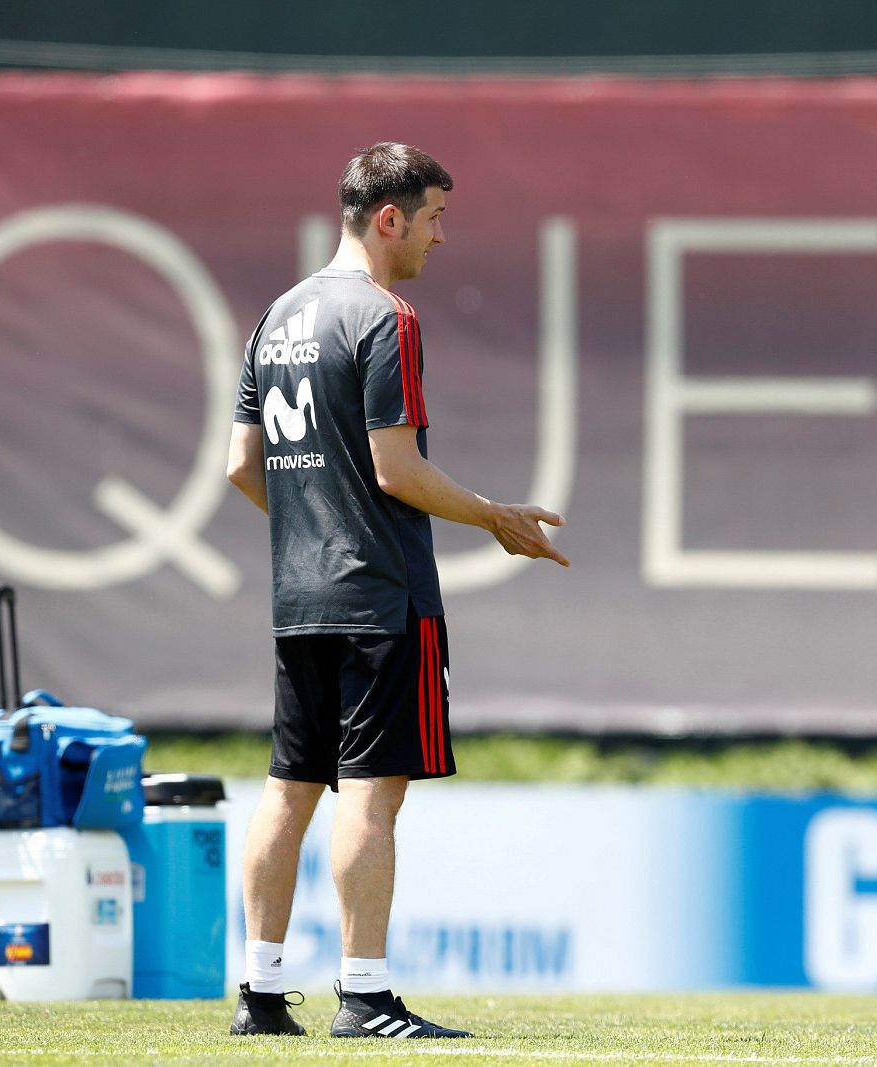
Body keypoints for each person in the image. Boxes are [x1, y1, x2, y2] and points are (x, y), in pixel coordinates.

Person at [224, 142, 569, 1039]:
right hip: (378, 596)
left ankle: (259, 995)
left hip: (298, 594)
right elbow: (397, 469)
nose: (440, 238)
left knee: (287, 788)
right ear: (390, 218)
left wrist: (309, 521)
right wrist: (496, 515)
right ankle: (366, 995)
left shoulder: (276, 315)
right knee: (370, 794)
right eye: (434, 218)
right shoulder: (386, 317)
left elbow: (239, 467)